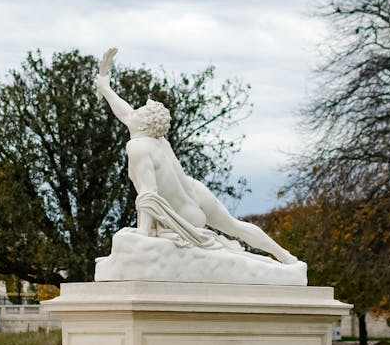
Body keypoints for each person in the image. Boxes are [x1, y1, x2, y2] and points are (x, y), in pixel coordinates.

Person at [93, 47, 298, 265]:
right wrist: (105, 87)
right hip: (194, 192)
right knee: (235, 226)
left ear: (143, 124)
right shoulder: (158, 139)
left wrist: (144, 232)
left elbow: (149, 195)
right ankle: (286, 257)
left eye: (139, 112)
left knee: (230, 235)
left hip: (184, 215)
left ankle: (277, 259)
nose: (133, 112)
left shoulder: (138, 147)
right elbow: (126, 113)